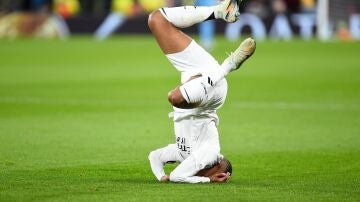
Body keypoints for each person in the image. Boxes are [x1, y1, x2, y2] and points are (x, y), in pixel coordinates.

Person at [148, 0, 256, 183]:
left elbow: (154, 157)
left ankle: (219, 11)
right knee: (175, 97)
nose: (203, 171)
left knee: (157, 19)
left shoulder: (183, 154)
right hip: (213, 92)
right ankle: (230, 65)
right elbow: (177, 176)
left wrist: (161, 177)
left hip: (197, 73)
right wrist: (207, 180)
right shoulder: (211, 154)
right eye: (213, 172)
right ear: (219, 169)